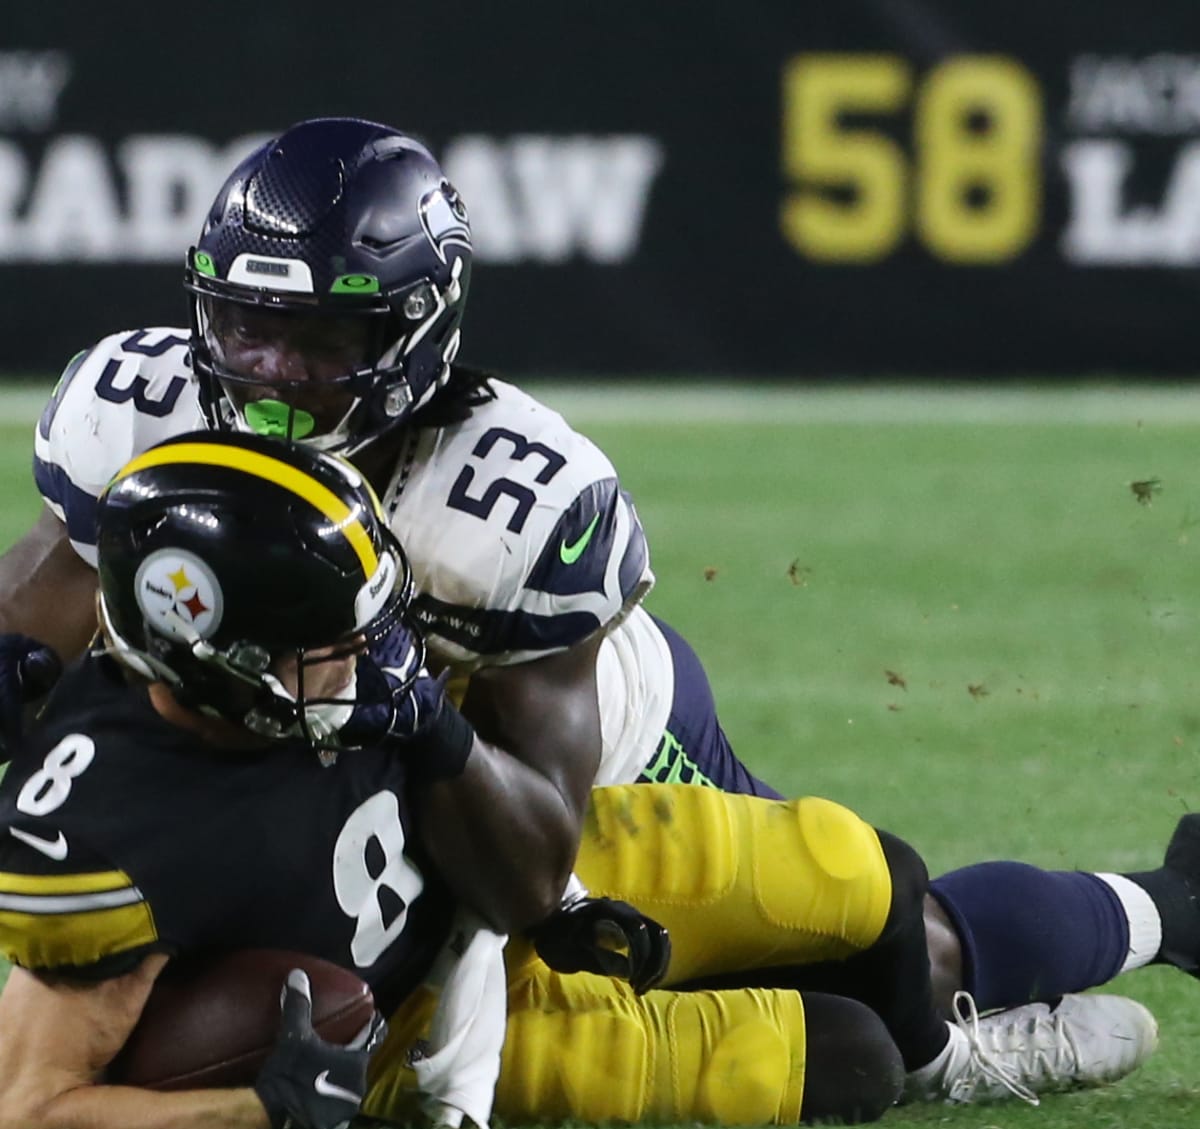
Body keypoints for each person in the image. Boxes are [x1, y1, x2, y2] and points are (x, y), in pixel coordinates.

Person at [0, 116, 1185, 1068]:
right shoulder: (136, 411)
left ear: (419, 332)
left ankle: (1154, 916)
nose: (266, 378)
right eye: (245, 328)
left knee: (863, 942)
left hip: (560, 733)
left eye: (316, 341)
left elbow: (526, 876)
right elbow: (25, 646)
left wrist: (412, 707)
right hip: (341, 761)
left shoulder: (509, 502)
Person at [0, 431, 994, 1129]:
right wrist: (260, 1106)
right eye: (330, 643)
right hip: (411, 1034)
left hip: (487, 869)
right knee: (846, 1057)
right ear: (216, 657)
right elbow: (27, 1104)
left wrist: (550, 898)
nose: (368, 655)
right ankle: (971, 1046)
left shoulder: (300, 679)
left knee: (868, 873)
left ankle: (1115, 934)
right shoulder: (101, 827)